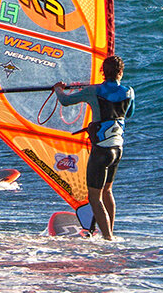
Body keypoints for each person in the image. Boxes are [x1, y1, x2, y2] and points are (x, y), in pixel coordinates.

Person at [53, 54, 135, 240]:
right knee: (107, 191)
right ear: (120, 72)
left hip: (101, 151)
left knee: (94, 198)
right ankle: (110, 233)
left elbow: (65, 101)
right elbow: (128, 113)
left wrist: (58, 89)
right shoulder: (129, 91)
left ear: (102, 72)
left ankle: (108, 239)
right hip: (118, 149)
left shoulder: (93, 91)